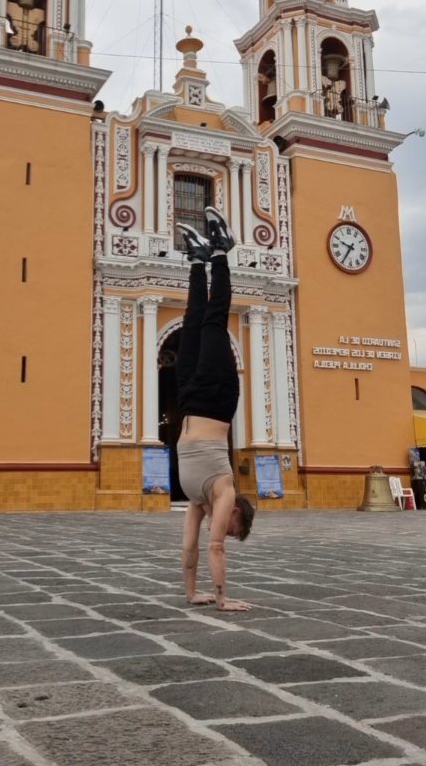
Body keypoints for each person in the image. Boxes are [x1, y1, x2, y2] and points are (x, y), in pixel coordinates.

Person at [176, 206, 255, 612]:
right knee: (212, 324)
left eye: (228, 527)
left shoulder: (195, 498)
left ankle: (195, 261)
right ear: (237, 513)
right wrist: (224, 599)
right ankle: (222, 252)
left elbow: (190, 546)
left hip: (189, 401)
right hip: (217, 399)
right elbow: (214, 548)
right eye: (233, 525)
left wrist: (193, 594)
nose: (223, 525)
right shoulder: (223, 491)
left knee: (191, 326)